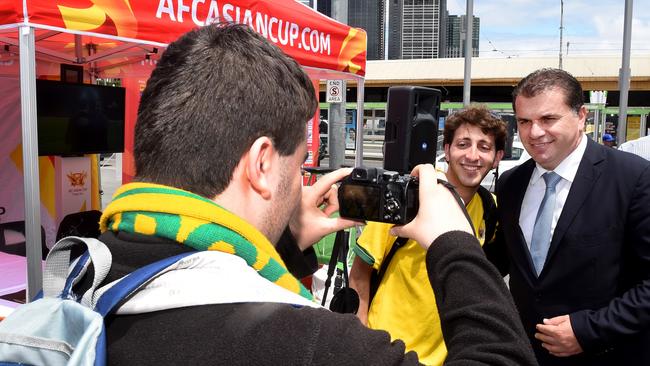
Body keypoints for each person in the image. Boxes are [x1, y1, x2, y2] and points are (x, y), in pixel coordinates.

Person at [83, 24, 536, 365]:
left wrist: (285, 243)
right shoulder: (314, 344)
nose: (300, 181)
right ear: (262, 164)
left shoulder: (84, 268)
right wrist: (454, 241)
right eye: (298, 164)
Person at [484, 68, 650, 366]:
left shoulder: (633, 178)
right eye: (524, 121)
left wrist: (590, 331)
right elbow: (503, 258)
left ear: (581, 116)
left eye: (548, 119)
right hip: (525, 354)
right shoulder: (511, 183)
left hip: (606, 354)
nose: (534, 133)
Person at [349, 105, 507, 365]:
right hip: (386, 351)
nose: (472, 155)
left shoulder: (491, 208)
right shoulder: (407, 196)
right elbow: (360, 272)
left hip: (446, 357)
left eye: (484, 147)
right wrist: (363, 341)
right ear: (446, 151)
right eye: (463, 144)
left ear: (497, 156)